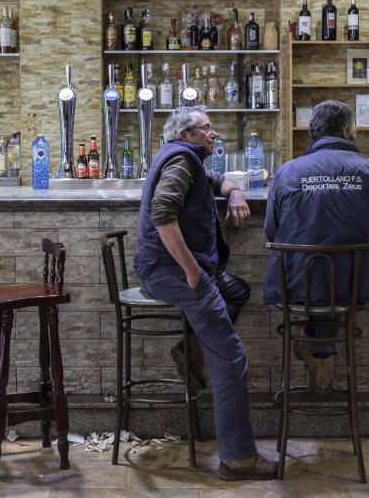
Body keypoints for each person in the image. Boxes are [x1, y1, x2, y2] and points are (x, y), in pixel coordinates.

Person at [134, 106, 276, 481]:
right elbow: (163, 212)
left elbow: (219, 180)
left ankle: (193, 351)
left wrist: (235, 194)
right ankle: (239, 459)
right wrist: (192, 270)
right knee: (230, 358)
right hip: (173, 273)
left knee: (236, 292)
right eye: (206, 129)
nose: (213, 134)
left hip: (170, 270)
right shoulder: (182, 160)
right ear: (187, 135)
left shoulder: (189, 159)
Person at [264, 100, 369, 389]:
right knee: (336, 278)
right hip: (358, 286)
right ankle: (319, 355)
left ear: (313, 133)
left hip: (296, 287)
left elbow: (271, 233)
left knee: (321, 278)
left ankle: (314, 350)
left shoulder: (287, 172)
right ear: (347, 131)